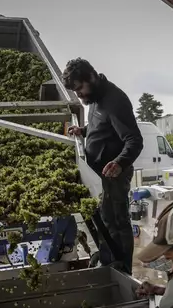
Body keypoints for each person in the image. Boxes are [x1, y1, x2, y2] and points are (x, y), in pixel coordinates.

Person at [61, 58, 143, 274]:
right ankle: (108, 262)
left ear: (91, 77)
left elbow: (134, 140)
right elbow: (103, 125)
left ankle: (122, 271)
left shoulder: (115, 100)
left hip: (113, 175)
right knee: (103, 221)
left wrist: (119, 162)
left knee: (116, 222)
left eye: (80, 89)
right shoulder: (95, 99)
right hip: (96, 174)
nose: (80, 95)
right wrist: (84, 131)